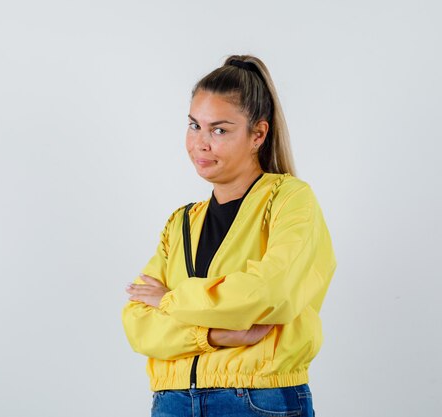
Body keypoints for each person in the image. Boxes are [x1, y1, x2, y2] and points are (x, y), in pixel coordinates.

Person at [122, 54, 336, 417]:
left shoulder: (289, 200)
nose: (201, 143)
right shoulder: (181, 223)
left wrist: (171, 300)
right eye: (194, 126)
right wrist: (214, 335)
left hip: (255, 400)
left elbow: (269, 294)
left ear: (258, 134)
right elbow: (138, 322)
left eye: (219, 130)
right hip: (172, 401)